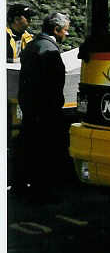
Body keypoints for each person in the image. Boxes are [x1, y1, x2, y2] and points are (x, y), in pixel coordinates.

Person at [16, 12, 70, 202]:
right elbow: (53, 86)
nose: (67, 35)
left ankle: (21, 186)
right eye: (65, 31)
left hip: (29, 108)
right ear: (56, 30)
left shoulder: (31, 46)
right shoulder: (51, 52)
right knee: (45, 152)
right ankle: (42, 192)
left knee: (27, 148)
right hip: (46, 111)